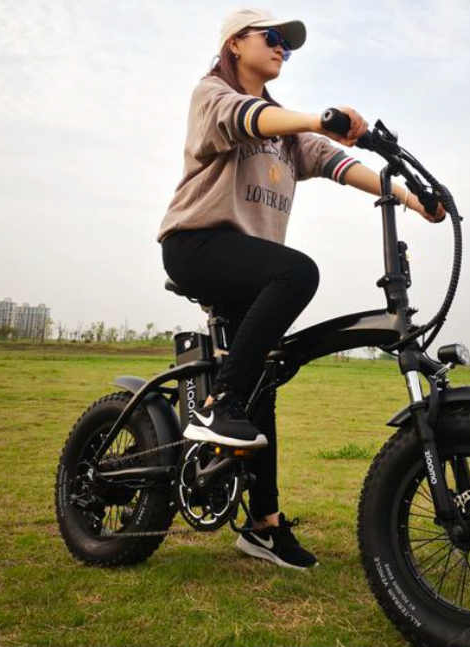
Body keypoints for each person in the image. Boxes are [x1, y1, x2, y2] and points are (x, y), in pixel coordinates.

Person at [158, 7, 446, 571]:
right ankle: (219, 406)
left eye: (286, 45)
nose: (281, 49)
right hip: (196, 244)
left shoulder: (289, 136)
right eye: (271, 38)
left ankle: (262, 526)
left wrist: (413, 198)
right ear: (235, 44)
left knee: (263, 379)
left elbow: (336, 161)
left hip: (248, 268)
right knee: (298, 272)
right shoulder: (212, 94)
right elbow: (249, 119)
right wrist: (318, 116)